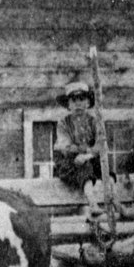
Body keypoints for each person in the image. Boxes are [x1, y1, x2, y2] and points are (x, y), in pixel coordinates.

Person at [51, 80, 109, 213]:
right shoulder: (64, 124)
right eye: (73, 100)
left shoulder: (94, 121)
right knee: (84, 166)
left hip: (88, 159)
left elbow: (101, 144)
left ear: (88, 103)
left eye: (82, 99)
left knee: (105, 167)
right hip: (69, 163)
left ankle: (114, 202)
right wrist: (87, 151)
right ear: (68, 105)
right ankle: (93, 204)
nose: (78, 103)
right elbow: (66, 147)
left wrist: (88, 154)